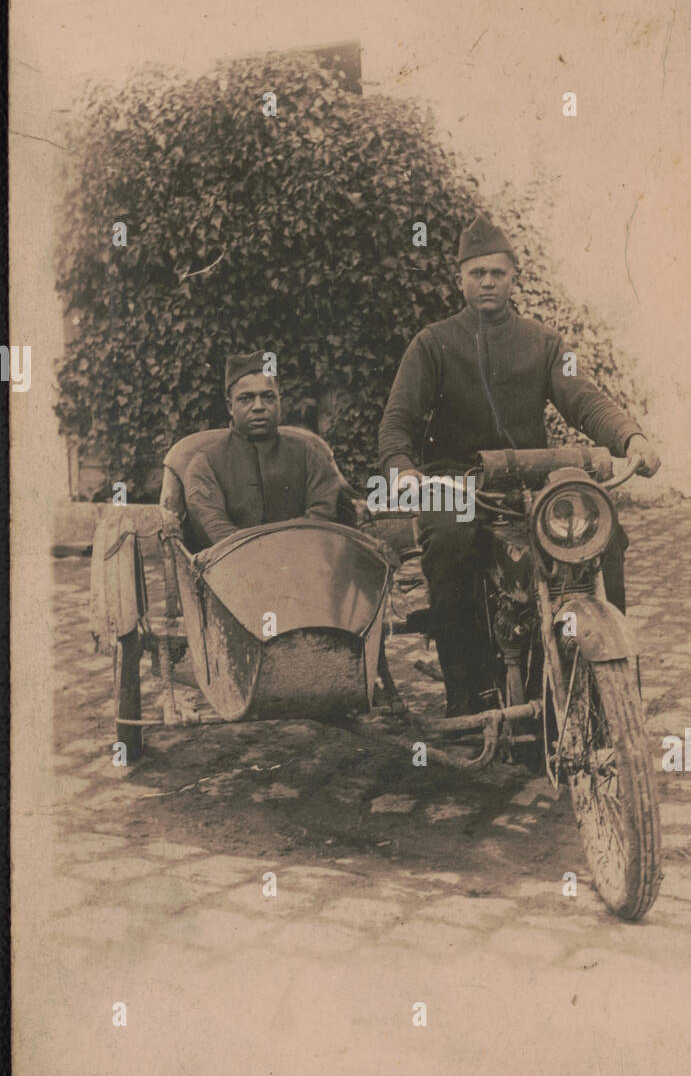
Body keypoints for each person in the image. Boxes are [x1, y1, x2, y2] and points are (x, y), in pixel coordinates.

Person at [377, 213, 661, 715]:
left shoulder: (544, 342)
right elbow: (397, 418)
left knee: (603, 535)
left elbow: (584, 398)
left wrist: (630, 437)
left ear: (514, 278)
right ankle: (466, 694)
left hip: (530, 479)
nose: (487, 281)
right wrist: (403, 468)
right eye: (477, 272)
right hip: (456, 483)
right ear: (460, 279)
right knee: (449, 542)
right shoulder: (433, 343)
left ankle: (608, 680)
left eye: (497, 273)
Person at [183, 352, 347, 549]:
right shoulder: (206, 463)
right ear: (229, 406)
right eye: (246, 399)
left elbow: (322, 514)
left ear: (280, 401)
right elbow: (216, 529)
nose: (259, 407)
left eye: (268, 397)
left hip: (303, 560)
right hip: (233, 569)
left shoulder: (307, 453)